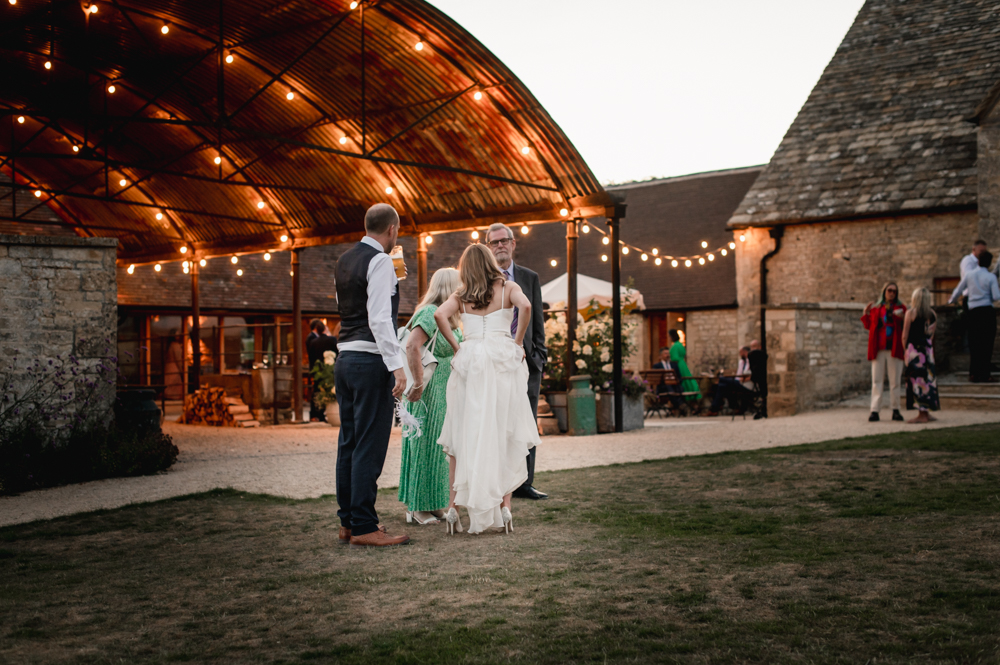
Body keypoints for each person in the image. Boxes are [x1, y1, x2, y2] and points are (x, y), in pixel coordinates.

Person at [434, 244, 541, 535]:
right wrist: (517, 343)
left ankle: (453, 509)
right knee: (503, 430)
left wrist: (458, 347)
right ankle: (505, 506)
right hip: (501, 359)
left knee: (463, 432)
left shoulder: (462, 294)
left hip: (471, 361)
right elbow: (527, 307)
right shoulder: (507, 287)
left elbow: (439, 316)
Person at [333, 203, 409, 549]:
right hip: (369, 362)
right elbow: (380, 319)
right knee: (370, 443)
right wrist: (397, 366)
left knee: (348, 441)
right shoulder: (380, 262)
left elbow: (346, 311)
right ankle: (365, 524)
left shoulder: (344, 260)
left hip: (345, 360)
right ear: (392, 229)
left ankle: (348, 522)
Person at [484, 222, 548, 501]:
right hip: (493, 363)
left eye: (503, 241)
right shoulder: (481, 279)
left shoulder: (529, 277)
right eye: (494, 242)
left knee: (526, 422)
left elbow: (538, 321)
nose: (499, 245)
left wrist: (539, 357)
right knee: (495, 421)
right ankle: (498, 483)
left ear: (513, 243)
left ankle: (525, 483)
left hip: (527, 363)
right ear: (488, 247)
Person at [398, 268, 463, 526]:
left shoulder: (448, 315)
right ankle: (416, 507)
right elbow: (412, 345)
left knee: (439, 448)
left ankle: (434, 503)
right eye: (459, 286)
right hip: (428, 387)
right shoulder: (428, 312)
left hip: (444, 388)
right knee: (423, 446)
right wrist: (416, 383)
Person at [949, 250, 1000, 382]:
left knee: (974, 343)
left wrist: (951, 301)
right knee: (987, 344)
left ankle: (973, 373)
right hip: (987, 312)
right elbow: (996, 296)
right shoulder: (991, 277)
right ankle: (985, 374)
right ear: (989, 264)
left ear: (977, 261)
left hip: (973, 312)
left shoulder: (969, 275)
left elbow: (958, 290)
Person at [862, 282, 907, 421]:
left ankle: (896, 410)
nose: (892, 293)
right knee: (876, 380)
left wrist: (903, 318)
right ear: (884, 292)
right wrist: (866, 314)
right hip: (879, 348)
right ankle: (875, 410)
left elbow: (908, 324)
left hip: (894, 347)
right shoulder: (877, 308)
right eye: (889, 290)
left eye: (894, 291)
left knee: (895, 381)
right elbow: (869, 326)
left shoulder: (901, 308)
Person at [902, 287, 940, 423]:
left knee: (917, 381)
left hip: (914, 352)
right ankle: (927, 411)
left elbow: (905, 335)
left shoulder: (910, 313)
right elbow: (931, 335)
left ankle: (921, 414)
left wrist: (905, 351)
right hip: (927, 351)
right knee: (928, 381)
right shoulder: (933, 314)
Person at [704, 346, 753, 416]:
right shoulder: (741, 362)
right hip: (739, 382)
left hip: (746, 385)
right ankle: (715, 409)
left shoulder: (750, 361)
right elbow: (738, 375)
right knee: (722, 386)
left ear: (745, 352)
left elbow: (751, 376)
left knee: (721, 380)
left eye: (741, 353)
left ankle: (715, 408)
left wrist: (742, 379)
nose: (740, 354)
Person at [308, 323, 339, 422]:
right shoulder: (332, 340)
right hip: (329, 369)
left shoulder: (313, 342)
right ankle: (329, 412)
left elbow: (311, 358)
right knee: (329, 390)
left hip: (318, 371)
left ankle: (316, 414)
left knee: (316, 391)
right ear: (325, 329)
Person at [668, 330, 702, 404]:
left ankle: (685, 398)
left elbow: (674, 357)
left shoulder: (675, 346)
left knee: (682, 380)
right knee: (687, 379)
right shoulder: (680, 344)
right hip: (683, 364)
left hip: (678, 365)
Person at [306, 319, 325, 421]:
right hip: (316, 368)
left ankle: (318, 413)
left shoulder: (314, 338)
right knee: (316, 391)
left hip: (317, 368)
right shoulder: (311, 338)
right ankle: (314, 414)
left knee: (318, 391)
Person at [747, 339, 768, 419]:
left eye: (755, 346)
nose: (753, 349)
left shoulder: (758, 355)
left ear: (759, 347)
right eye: (752, 347)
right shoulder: (753, 355)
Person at [163, 329, 184, 400]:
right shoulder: (175, 345)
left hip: (168, 368)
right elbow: (178, 359)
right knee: (175, 384)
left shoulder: (169, 345)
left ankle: (168, 396)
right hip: (174, 368)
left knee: (169, 384)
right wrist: (181, 369)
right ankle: (173, 397)